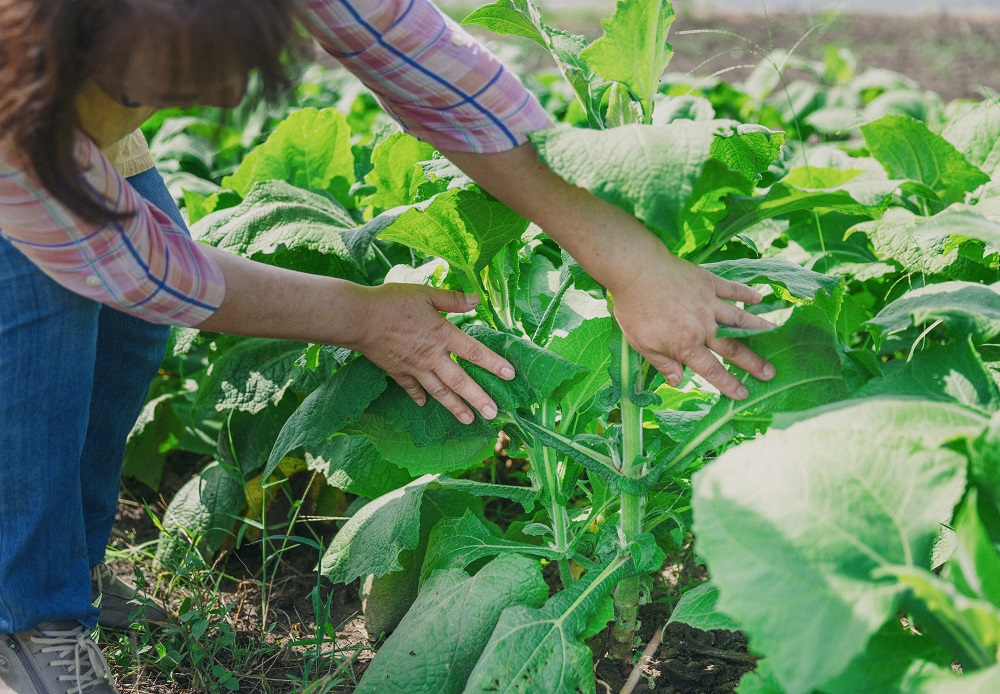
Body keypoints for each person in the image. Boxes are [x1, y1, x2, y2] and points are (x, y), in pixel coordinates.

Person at [0, 0, 776, 691]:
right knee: (37, 330)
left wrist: (626, 257)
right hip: (23, 127)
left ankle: (68, 570)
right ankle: (28, 615)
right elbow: (147, 273)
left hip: (65, 98)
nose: (228, 99)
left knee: (127, 342)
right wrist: (365, 316)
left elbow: (424, 60)